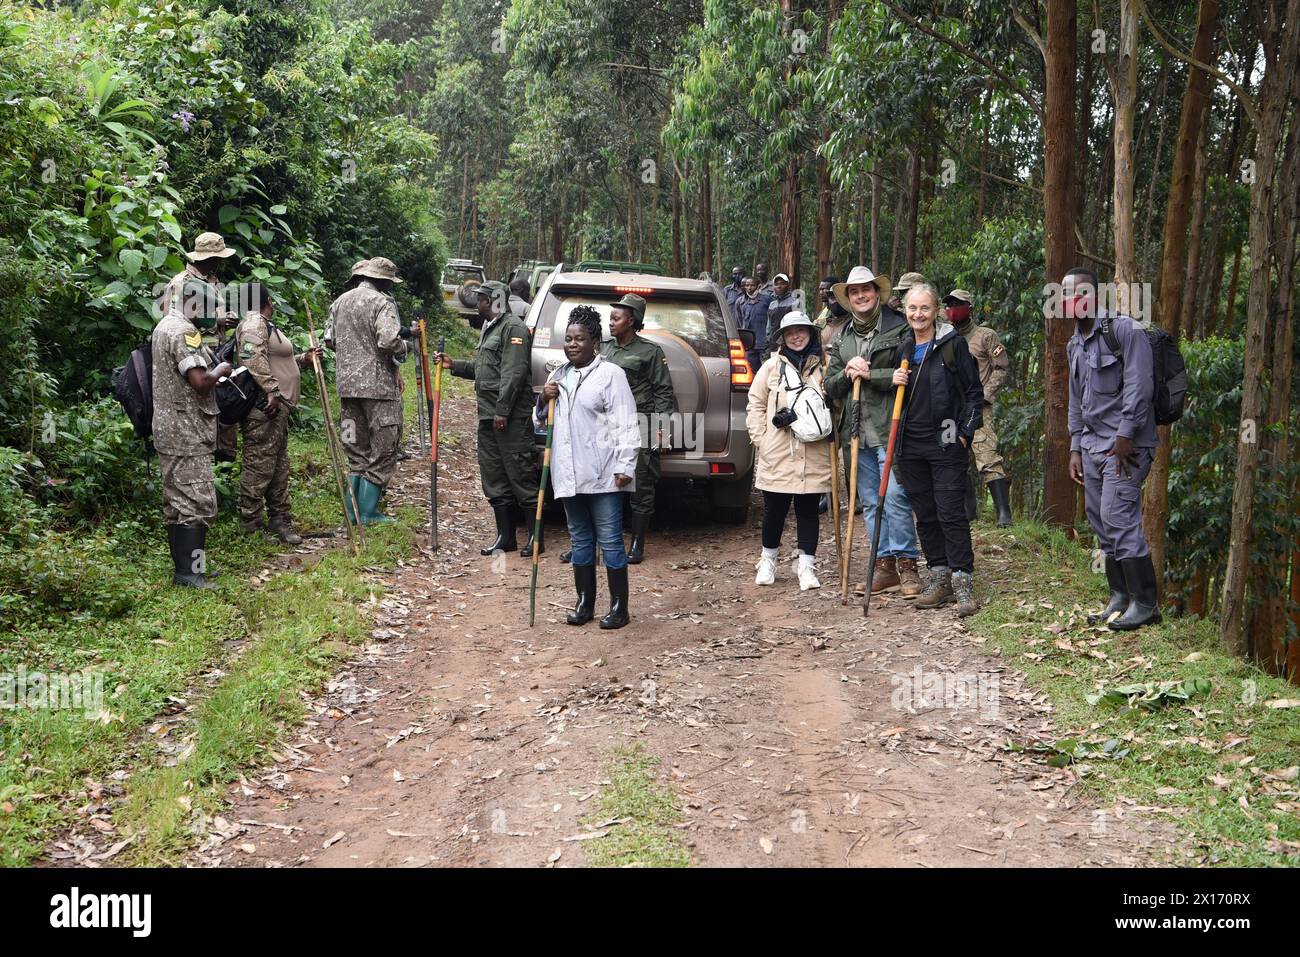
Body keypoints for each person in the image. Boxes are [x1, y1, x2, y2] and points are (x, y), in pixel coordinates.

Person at [1064, 267, 1160, 631]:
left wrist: (1125, 435)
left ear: (1096, 295)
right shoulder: (1075, 343)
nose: (1076, 301)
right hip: (1092, 446)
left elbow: (1140, 385)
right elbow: (1076, 400)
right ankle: (1120, 597)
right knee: (1101, 521)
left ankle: (1146, 604)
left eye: (1082, 293)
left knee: (1118, 517)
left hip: (1127, 446)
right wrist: (1075, 447)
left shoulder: (1124, 331)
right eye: (1069, 296)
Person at [538, 305, 640, 630]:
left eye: (579, 339)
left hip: (605, 474)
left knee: (609, 540)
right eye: (568, 339)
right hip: (569, 473)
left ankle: (619, 608)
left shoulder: (611, 375)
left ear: (594, 341)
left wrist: (626, 464)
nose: (572, 344)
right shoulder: (558, 375)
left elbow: (627, 423)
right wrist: (542, 400)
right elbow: (541, 422)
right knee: (580, 540)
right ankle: (585, 604)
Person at [824, 265, 923, 598]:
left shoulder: (899, 328)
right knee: (867, 500)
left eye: (866, 290)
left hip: (889, 426)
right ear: (848, 298)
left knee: (895, 495)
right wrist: (847, 372)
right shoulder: (841, 337)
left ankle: (907, 564)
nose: (861, 296)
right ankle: (884, 566)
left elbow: (906, 375)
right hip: (855, 431)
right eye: (854, 292)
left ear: (876, 293)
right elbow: (830, 385)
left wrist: (871, 374)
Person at [889, 283, 984, 617]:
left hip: (945, 440)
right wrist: (893, 382)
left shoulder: (952, 346)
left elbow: (974, 393)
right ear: (905, 311)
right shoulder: (902, 347)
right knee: (926, 514)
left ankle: (962, 582)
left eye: (925, 308)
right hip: (910, 443)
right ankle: (939, 577)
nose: (918, 314)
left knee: (950, 511)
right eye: (912, 308)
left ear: (936, 311)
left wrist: (965, 433)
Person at [437, 280, 542, 556]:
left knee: (520, 474)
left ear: (495, 300)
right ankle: (505, 537)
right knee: (494, 476)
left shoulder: (514, 328)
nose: (478, 303)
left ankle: (535, 538)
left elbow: (514, 372)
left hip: (508, 417)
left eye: (482, 298)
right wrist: (454, 365)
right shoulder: (490, 328)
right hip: (488, 415)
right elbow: (487, 370)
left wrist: (503, 410)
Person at [152, 278, 232, 588]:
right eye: (208, 309)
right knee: (198, 502)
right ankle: (189, 573)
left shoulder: (163, 326)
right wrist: (221, 370)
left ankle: (188, 569)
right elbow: (199, 381)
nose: (211, 316)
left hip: (169, 427)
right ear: (194, 304)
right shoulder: (185, 331)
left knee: (177, 502)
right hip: (186, 431)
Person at [747, 311, 833, 591]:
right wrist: (762, 439)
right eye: (790, 332)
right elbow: (755, 403)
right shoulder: (771, 367)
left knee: (808, 510)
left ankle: (807, 566)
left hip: (814, 451)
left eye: (802, 331)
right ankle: (768, 560)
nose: (796, 336)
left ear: (811, 333)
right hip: (778, 451)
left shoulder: (825, 365)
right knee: (775, 510)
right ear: (783, 337)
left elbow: (837, 403)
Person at [233, 283, 321, 544]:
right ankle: (250, 524)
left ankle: (279, 519)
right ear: (267, 300)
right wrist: (271, 389)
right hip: (264, 407)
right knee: (259, 465)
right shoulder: (252, 324)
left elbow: (275, 359)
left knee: (278, 466)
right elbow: (250, 358)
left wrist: (304, 359)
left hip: (279, 407)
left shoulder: (265, 325)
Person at [328, 256, 408, 524]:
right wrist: (404, 349)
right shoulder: (381, 303)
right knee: (384, 446)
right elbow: (388, 339)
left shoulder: (340, 301)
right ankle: (369, 513)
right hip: (378, 389)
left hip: (347, 389)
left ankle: (354, 513)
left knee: (356, 449)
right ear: (382, 280)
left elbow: (330, 340)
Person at [600, 293, 674, 564]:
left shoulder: (649, 351)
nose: (611, 322)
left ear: (631, 321)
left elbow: (663, 392)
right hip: (607, 424)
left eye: (616, 318)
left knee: (640, 484)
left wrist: (661, 429)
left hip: (639, 422)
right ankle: (604, 542)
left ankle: (637, 544)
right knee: (604, 483)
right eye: (611, 318)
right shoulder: (605, 349)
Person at [160, 232, 242, 464]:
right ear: (209, 257)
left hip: (216, 353)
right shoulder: (181, 283)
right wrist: (216, 322)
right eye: (218, 257)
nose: (221, 261)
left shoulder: (213, 281)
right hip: (192, 358)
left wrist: (225, 320)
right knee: (198, 412)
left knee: (223, 412)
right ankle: (203, 462)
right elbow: (175, 322)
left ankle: (222, 464)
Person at [946, 289, 1013, 526]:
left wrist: (985, 396)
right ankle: (967, 511)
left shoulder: (985, 336)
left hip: (978, 407)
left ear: (970, 308)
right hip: (952, 408)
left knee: (987, 457)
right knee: (955, 458)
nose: (953, 308)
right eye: (950, 304)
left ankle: (1003, 513)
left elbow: (1002, 367)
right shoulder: (944, 336)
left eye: (958, 304)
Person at [734, 277, 769, 375]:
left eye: (752, 285)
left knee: (766, 372)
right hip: (750, 345)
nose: (749, 288)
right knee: (752, 371)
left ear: (758, 286)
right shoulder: (740, 302)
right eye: (747, 285)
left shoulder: (767, 300)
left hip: (764, 344)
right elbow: (739, 323)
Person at [764, 272, 798, 355]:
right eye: (776, 284)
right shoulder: (772, 304)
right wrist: (768, 339)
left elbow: (798, 324)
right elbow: (769, 325)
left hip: (790, 344)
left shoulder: (795, 302)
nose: (779, 286)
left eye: (782, 283)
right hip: (774, 345)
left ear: (788, 285)